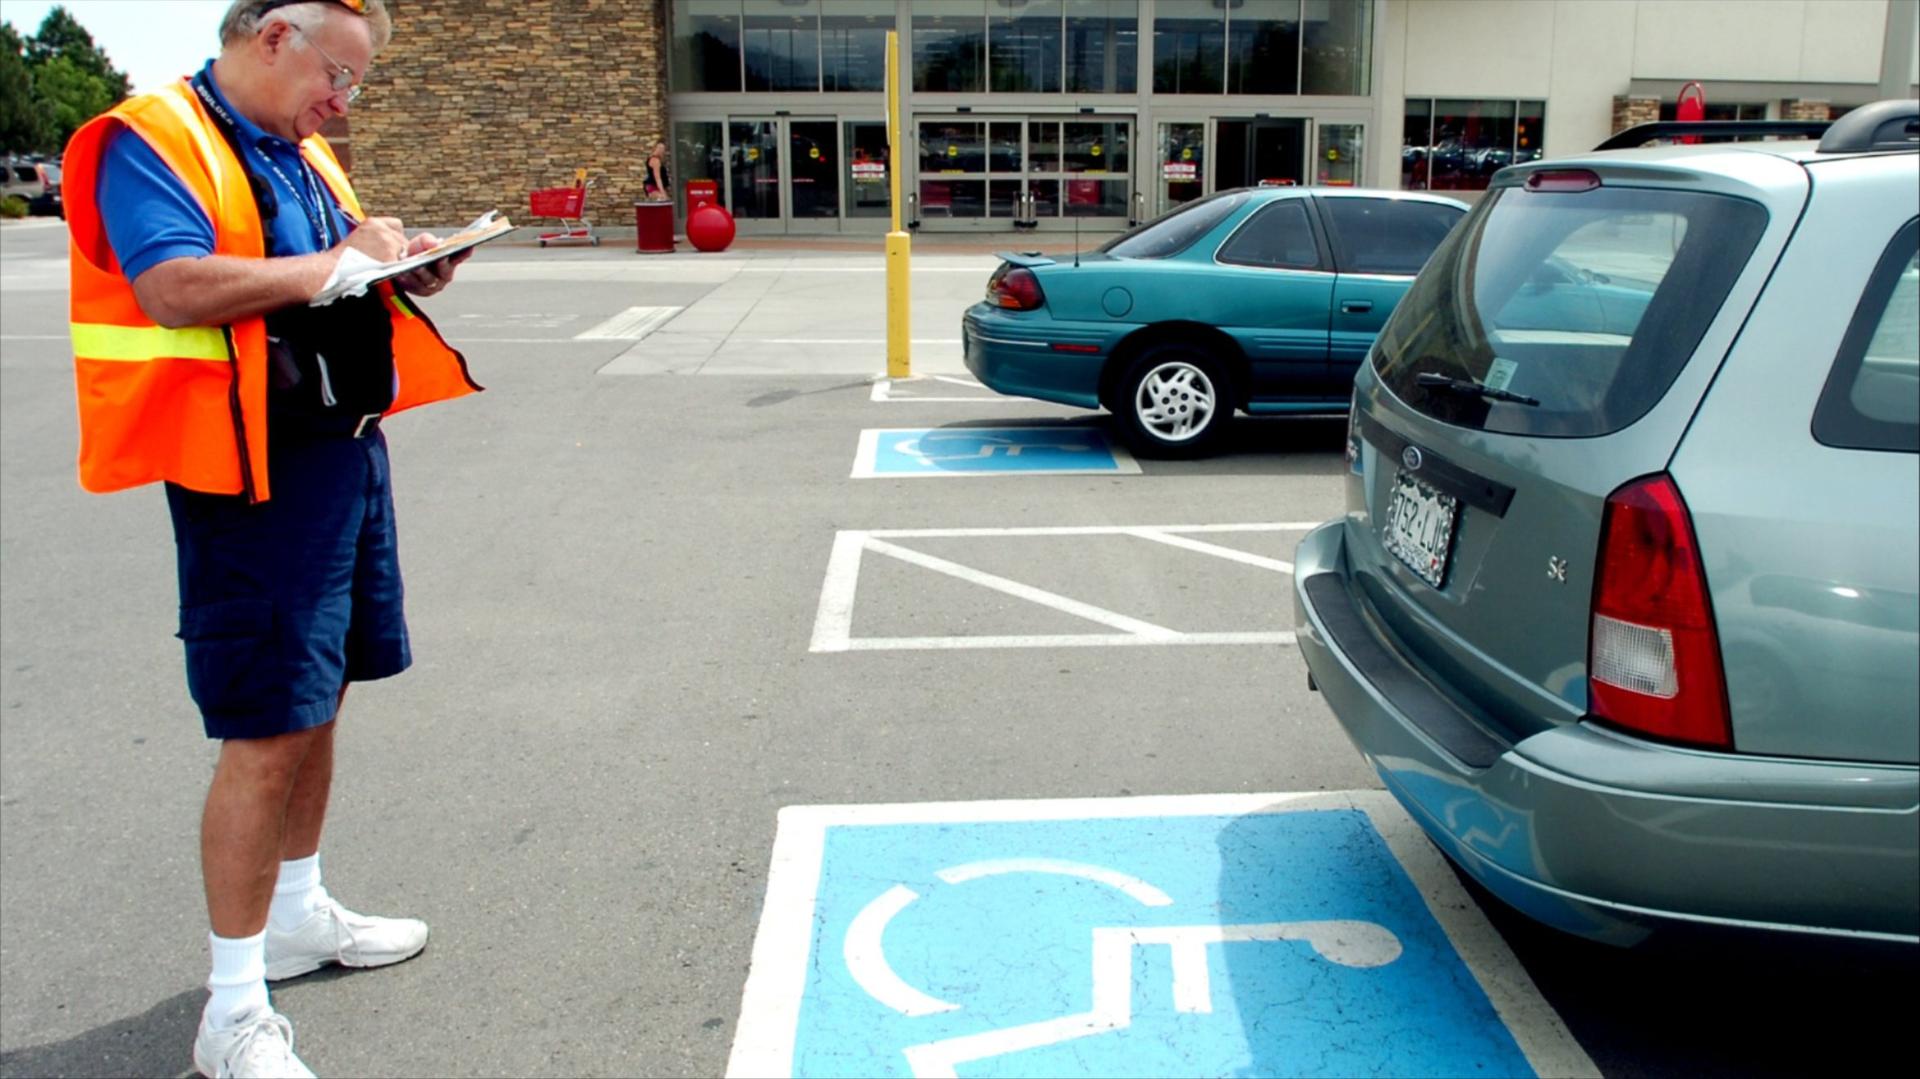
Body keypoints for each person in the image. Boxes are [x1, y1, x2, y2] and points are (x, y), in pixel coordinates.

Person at [63, 1, 479, 1075]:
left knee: (322, 693)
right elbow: (170, 284)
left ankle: (297, 911)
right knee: (262, 730)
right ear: (270, 38)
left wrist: (399, 267)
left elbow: (327, 270)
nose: (344, 102)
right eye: (336, 75)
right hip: (250, 473)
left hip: (340, 450)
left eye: (357, 83)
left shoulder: (300, 150)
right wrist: (333, 267)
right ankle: (232, 1011)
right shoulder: (154, 135)